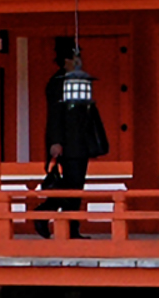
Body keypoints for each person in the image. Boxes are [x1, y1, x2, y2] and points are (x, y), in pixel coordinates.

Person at [43, 40, 110, 239]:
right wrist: (56, 141)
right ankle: (45, 214)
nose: (79, 61)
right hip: (67, 142)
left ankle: (70, 227)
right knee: (70, 186)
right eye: (75, 57)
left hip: (80, 140)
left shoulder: (79, 81)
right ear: (66, 60)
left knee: (76, 186)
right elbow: (55, 114)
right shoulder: (58, 82)